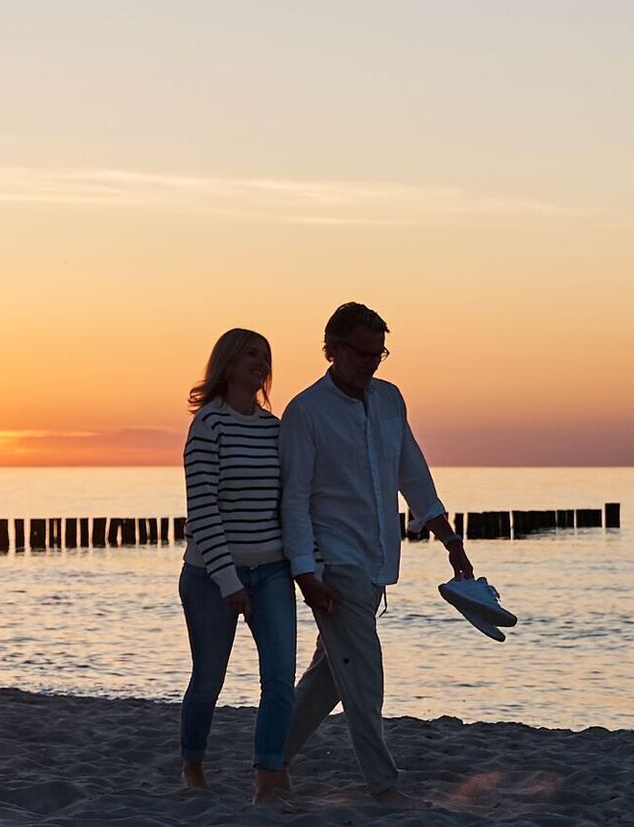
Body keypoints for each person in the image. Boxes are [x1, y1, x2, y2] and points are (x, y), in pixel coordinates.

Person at [277, 300, 475, 801]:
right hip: (332, 562)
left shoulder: (389, 400)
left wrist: (449, 538)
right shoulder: (305, 412)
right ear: (333, 350)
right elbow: (294, 498)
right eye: (363, 353)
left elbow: (412, 472)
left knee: (329, 676)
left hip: (376, 562)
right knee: (363, 673)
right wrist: (305, 573)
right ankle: (383, 784)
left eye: (379, 353)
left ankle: (270, 760)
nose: (371, 362)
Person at [176, 327, 297, 792]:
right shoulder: (209, 426)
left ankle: (268, 778)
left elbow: (289, 501)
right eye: (251, 353)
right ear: (226, 363)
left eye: (266, 355)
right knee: (208, 681)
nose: (261, 361)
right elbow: (202, 510)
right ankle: (192, 765)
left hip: (271, 571)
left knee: (280, 680)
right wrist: (229, 582)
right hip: (209, 576)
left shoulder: (275, 429)